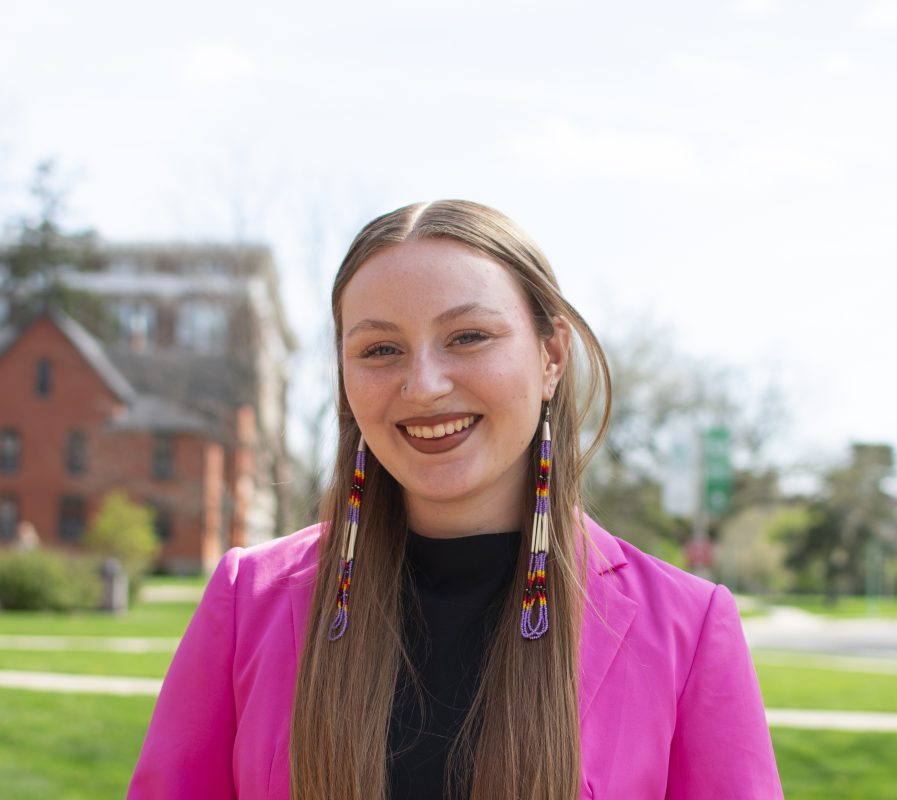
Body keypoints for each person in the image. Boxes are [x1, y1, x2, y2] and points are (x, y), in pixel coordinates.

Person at [128, 200, 783, 800]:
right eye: (380, 349)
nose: (424, 385)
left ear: (551, 354)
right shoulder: (250, 601)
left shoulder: (687, 628)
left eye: (468, 337)